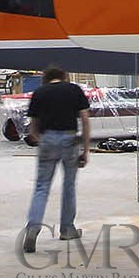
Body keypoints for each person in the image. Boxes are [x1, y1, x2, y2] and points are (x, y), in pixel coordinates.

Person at [21, 66, 91, 252]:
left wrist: (39, 139)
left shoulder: (39, 93)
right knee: (68, 185)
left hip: (47, 139)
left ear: (46, 78)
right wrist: (85, 148)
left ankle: (33, 227)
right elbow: (84, 119)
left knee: (42, 186)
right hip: (69, 139)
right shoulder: (74, 90)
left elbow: (33, 126)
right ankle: (67, 229)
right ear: (64, 77)